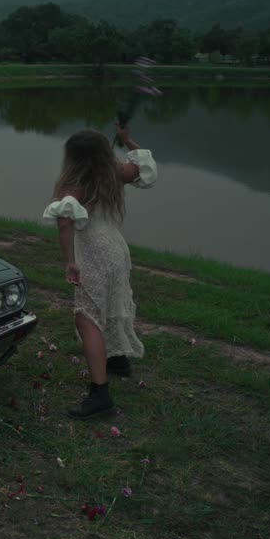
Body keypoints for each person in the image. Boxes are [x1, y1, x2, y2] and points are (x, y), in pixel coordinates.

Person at [42, 122, 157, 419]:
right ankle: (118, 360)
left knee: (87, 318)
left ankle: (100, 394)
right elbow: (143, 167)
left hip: (94, 250)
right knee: (110, 302)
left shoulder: (75, 184)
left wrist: (69, 261)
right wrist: (128, 140)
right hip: (116, 248)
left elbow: (65, 223)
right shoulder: (115, 174)